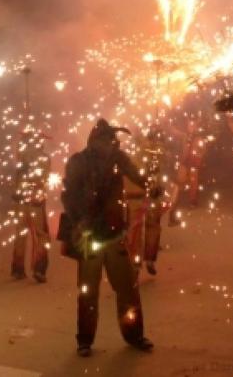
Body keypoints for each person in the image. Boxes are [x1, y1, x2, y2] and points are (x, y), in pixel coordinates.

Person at [61, 119, 155, 357]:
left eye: (114, 142)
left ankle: (134, 335)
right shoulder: (78, 162)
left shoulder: (117, 158)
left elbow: (137, 174)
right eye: (108, 141)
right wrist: (80, 222)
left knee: (127, 289)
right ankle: (84, 340)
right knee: (88, 291)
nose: (112, 146)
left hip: (114, 233)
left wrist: (151, 184)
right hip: (90, 234)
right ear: (95, 141)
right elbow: (69, 195)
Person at [126, 124, 169, 276]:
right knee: (152, 226)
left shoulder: (136, 149)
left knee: (136, 229)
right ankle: (149, 259)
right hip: (149, 192)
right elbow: (159, 169)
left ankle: (136, 262)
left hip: (136, 193)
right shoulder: (158, 150)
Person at [10, 128, 51, 283]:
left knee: (20, 234)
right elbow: (43, 180)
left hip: (20, 200)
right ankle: (39, 269)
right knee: (42, 235)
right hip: (35, 201)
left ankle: (17, 269)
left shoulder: (20, 156)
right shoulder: (44, 158)